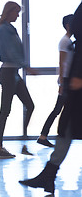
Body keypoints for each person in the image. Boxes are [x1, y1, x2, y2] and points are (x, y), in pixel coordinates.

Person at [19, 0, 82, 194]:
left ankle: (48, 175)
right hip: (75, 80)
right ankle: (48, 175)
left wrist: (78, 75)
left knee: (67, 124)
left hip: (78, 80)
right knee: (66, 126)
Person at [0, 1, 35, 159]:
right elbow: (10, 51)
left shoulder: (10, 28)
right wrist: (26, 66)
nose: (18, 15)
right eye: (16, 12)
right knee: (5, 111)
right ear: (8, 12)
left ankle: (23, 142)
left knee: (30, 105)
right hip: (8, 72)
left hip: (14, 73)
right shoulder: (3, 29)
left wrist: (23, 66)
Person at [37, 14, 75, 148]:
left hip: (67, 79)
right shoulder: (65, 41)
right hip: (66, 80)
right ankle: (44, 136)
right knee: (58, 109)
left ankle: (43, 136)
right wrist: (62, 83)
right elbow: (62, 62)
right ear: (69, 25)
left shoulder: (68, 41)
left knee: (58, 109)